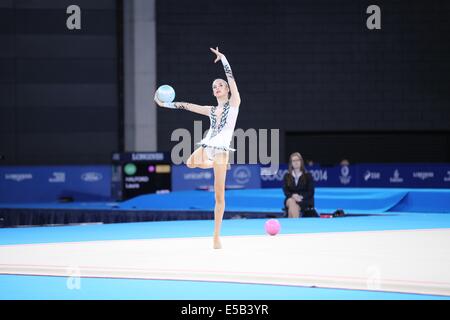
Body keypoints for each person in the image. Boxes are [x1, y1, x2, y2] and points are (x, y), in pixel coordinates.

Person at [154, 47, 241, 249]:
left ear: (227, 90)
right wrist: (164, 105)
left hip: (221, 150)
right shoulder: (210, 110)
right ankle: (212, 165)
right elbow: (187, 105)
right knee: (191, 162)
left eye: (220, 85)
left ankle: (216, 236)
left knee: (219, 196)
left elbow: (232, 78)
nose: (217, 87)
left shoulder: (234, 103)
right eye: (214, 86)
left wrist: (224, 58)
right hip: (207, 144)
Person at [282, 152, 315, 218]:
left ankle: (291, 224)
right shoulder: (287, 176)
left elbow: (311, 192)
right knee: (291, 201)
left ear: (301, 162)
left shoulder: (308, 175)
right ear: (291, 163)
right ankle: (295, 223)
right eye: (293, 161)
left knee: (293, 205)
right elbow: (285, 191)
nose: (296, 162)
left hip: (304, 200)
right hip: (290, 198)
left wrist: (300, 197)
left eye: (298, 160)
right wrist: (293, 195)